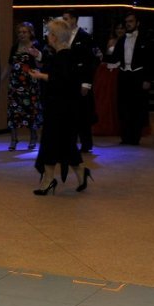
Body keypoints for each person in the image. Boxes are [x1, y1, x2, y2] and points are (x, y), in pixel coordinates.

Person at [30, 18, 92, 194]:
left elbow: (62, 81)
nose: (47, 37)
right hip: (64, 106)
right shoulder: (63, 55)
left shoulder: (63, 57)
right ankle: (80, 172)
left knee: (52, 141)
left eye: (49, 34)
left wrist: (41, 76)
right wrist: (40, 61)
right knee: (64, 142)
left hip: (60, 107)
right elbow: (58, 70)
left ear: (55, 37)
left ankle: (49, 180)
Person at [105, 13, 151, 146]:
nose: (128, 24)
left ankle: (135, 137)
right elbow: (114, 58)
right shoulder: (122, 39)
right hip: (124, 75)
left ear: (137, 23)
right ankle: (125, 136)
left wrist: (147, 79)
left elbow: (150, 60)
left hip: (138, 75)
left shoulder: (144, 38)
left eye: (131, 21)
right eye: (127, 22)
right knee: (124, 107)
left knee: (137, 107)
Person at [63, 10, 98, 152]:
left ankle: (86, 144)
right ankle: (69, 143)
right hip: (67, 80)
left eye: (66, 19)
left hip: (80, 80)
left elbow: (90, 61)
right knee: (69, 113)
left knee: (83, 114)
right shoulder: (62, 36)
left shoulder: (85, 37)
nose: (63, 21)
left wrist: (86, 83)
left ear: (74, 20)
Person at [6, 22, 43, 151]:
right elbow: (10, 65)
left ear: (30, 33)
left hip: (30, 84)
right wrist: (1, 78)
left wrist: (36, 57)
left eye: (24, 32)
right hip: (15, 84)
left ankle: (33, 137)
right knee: (13, 112)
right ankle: (13, 139)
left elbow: (40, 65)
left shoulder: (35, 45)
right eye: (19, 32)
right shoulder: (15, 46)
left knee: (31, 111)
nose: (21, 34)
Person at [92, 21, 127, 137]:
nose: (119, 30)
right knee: (105, 99)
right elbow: (106, 56)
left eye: (122, 28)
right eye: (118, 28)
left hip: (120, 71)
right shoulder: (111, 41)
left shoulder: (128, 40)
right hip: (108, 73)